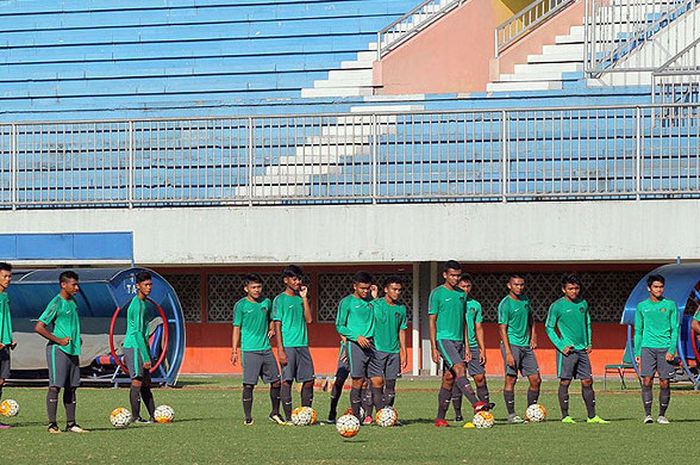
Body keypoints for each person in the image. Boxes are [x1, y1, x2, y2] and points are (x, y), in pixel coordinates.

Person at [545, 274, 608, 424]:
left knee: (587, 381)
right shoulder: (557, 306)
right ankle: (565, 416)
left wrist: (589, 342)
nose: (574, 291)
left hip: (582, 350)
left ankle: (592, 416)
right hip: (567, 351)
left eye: (576, 288)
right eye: (570, 288)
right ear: (564, 289)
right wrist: (561, 346)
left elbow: (587, 324)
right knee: (565, 382)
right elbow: (549, 327)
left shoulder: (583, 304)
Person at [430, 261, 487, 427]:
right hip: (444, 338)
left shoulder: (461, 295)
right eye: (452, 275)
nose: (455, 278)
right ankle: (476, 403)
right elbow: (432, 321)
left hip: (460, 341)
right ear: (445, 275)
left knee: (448, 378)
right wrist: (434, 347)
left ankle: (440, 418)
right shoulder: (437, 294)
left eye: (458, 275)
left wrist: (467, 346)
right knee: (460, 368)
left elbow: (464, 322)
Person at [34, 271, 88, 433]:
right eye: (74, 284)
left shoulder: (73, 302)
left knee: (72, 387)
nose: (77, 288)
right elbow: (39, 327)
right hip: (58, 350)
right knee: (55, 386)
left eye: (77, 284)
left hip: (72, 350)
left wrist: (77, 338)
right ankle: (52, 425)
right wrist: (59, 340)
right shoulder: (56, 303)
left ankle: (71, 424)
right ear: (63, 285)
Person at [231, 274, 284, 426]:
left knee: (276, 382)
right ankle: (248, 417)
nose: (257, 290)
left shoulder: (267, 302)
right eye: (253, 287)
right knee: (249, 384)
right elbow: (236, 328)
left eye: (259, 287)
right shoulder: (241, 305)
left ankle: (275, 413)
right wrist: (234, 350)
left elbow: (271, 319)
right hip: (249, 350)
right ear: (246, 288)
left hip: (266, 349)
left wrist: (272, 328)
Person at [335, 271, 384, 422]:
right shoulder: (347, 302)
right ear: (355, 286)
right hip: (355, 345)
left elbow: (382, 319)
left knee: (378, 380)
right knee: (358, 380)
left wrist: (375, 299)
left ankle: (381, 416)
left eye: (367, 288)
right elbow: (340, 326)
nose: (365, 291)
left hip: (372, 344)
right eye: (362, 288)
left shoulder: (372, 302)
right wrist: (356, 337)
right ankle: (357, 417)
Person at [634, 274, 679, 424]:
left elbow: (675, 329)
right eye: (655, 287)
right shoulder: (642, 306)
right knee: (647, 380)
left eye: (661, 287)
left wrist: (671, 349)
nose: (659, 289)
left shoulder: (671, 305)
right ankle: (647, 415)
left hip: (665, 347)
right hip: (647, 348)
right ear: (649, 288)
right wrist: (637, 351)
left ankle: (662, 415)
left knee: (665, 382)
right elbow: (638, 331)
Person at [273, 265, 314, 422]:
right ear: (286, 280)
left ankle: (305, 415)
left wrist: (304, 298)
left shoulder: (300, 299)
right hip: (288, 346)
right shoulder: (280, 300)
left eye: (299, 279)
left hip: (303, 345)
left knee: (309, 380)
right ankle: (289, 417)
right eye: (294, 279)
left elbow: (309, 319)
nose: (298, 282)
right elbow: (277, 325)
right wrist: (280, 350)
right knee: (287, 380)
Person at [498, 274, 541, 424]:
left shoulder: (525, 300)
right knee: (511, 378)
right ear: (509, 286)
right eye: (516, 284)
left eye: (522, 284)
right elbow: (502, 329)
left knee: (536, 379)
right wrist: (508, 353)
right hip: (511, 345)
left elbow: (531, 318)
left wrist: (533, 335)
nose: (519, 287)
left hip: (525, 346)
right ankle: (511, 415)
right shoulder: (505, 304)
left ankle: (531, 412)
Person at [451, 273, 492, 422]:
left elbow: (478, 327)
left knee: (480, 377)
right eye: (463, 286)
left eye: (468, 286)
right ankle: (458, 414)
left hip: (474, 346)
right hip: (456, 346)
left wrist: (483, 349)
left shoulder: (475, 305)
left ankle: (484, 410)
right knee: (458, 380)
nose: (466, 289)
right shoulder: (454, 303)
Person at [123, 271, 157, 424]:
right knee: (137, 380)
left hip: (142, 346)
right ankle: (135, 417)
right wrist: (145, 356)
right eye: (146, 285)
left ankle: (153, 416)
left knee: (146, 383)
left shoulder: (144, 303)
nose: (149, 288)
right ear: (138, 286)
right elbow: (136, 333)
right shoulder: (136, 305)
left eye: (150, 284)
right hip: (134, 347)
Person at [372, 275, 408, 409]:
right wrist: (374, 297)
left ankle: (387, 411)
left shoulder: (401, 308)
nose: (397, 292)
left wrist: (403, 351)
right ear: (386, 290)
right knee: (376, 382)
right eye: (394, 289)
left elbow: (402, 330)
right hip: (377, 349)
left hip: (394, 351)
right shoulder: (376, 304)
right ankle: (372, 413)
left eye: (399, 290)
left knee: (391, 384)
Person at [0, 262, 16, 430]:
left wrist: (10, 338)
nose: (8, 279)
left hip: (4, 344)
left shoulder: (5, 296)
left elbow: (5, 320)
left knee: (1, 381)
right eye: (4, 276)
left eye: (10, 276)